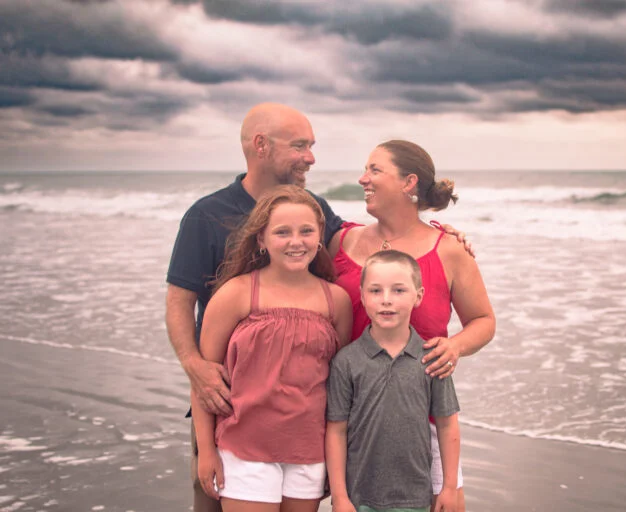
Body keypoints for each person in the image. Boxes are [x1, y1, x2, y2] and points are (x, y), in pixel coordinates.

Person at [166, 103, 344, 512]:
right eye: (300, 145)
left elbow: (355, 247)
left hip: (299, 425)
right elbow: (179, 301)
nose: (311, 157)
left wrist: (433, 232)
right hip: (227, 401)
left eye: (311, 146)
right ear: (261, 146)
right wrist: (193, 363)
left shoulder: (312, 206)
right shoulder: (206, 215)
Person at [329, 140, 496, 511]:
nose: (362, 178)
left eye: (374, 170)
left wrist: (454, 347)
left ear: (409, 183)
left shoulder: (448, 248)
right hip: (354, 418)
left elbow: (483, 322)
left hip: (425, 426)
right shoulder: (340, 240)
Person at [192, 185, 352, 511]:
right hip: (244, 447)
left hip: (309, 450)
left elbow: (340, 386)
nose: (296, 241)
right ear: (261, 239)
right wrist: (207, 451)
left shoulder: (336, 300)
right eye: (282, 232)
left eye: (306, 231)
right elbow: (203, 379)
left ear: (320, 235)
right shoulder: (236, 293)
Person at [326, 250, 460, 512]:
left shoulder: (432, 359)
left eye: (398, 290)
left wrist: (449, 487)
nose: (386, 300)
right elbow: (336, 431)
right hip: (359, 497)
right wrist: (340, 497)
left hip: (415, 498)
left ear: (418, 296)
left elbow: (447, 426)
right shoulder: (346, 361)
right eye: (375, 291)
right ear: (363, 296)